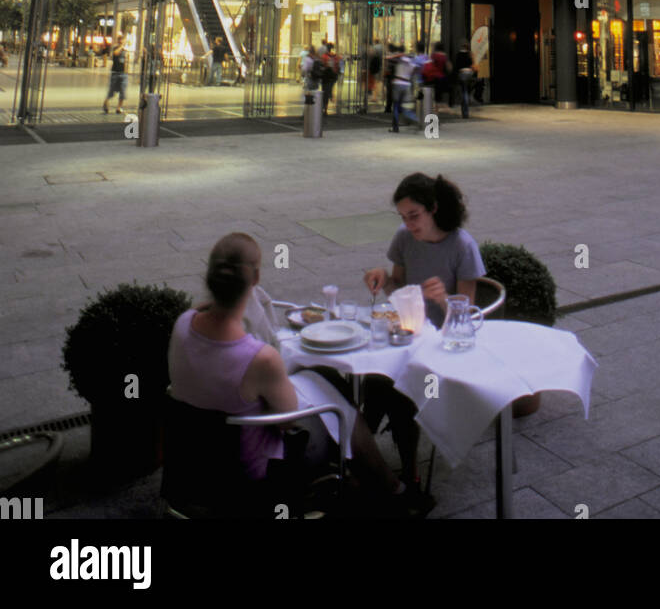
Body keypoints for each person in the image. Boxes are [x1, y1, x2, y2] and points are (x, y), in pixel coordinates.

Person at [167, 232, 415, 512]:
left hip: (192, 457)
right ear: (256, 279)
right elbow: (288, 422)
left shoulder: (182, 325)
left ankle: (366, 480)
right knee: (340, 409)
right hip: (250, 469)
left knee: (323, 384)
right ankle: (392, 490)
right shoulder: (259, 358)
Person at [363, 173, 485, 490]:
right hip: (407, 335)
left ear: (433, 208)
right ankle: (365, 457)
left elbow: (467, 321)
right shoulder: (404, 238)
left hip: (441, 343)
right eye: (404, 217)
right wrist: (382, 277)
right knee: (376, 380)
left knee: (393, 389)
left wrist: (444, 299)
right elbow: (398, 289)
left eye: (414, 216)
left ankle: (381, 464)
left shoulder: (462, 245)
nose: (409, 224)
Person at [390, 44, 418, 133]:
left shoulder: (398, 59)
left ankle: (395, 127)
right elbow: (414, 70)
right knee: (406, 106)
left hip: (398, 83)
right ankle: (415, 119)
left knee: (396, 105)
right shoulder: (410, 60)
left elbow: (388, 58)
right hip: (407, 84)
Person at [101, 34, 128, 114]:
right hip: (115, 73)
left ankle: (119, 108)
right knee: (111, 91)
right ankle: (106, 103)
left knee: (123, 91)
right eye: (121, 40)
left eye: (123, 40)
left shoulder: (124, 50)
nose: (122, 42)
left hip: (123, 73)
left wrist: (126, 71)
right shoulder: (115, 48)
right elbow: (115, 54)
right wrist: (121, 46)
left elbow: (125, 61)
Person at [454, 39, 474, 118]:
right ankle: (469, 99)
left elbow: (457, 66)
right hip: (469, 73)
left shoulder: (459, 54)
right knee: (467, 90)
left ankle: (465, 112)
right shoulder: (469, 54)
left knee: (463, 91)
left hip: (462, 73)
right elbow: (472, 64)